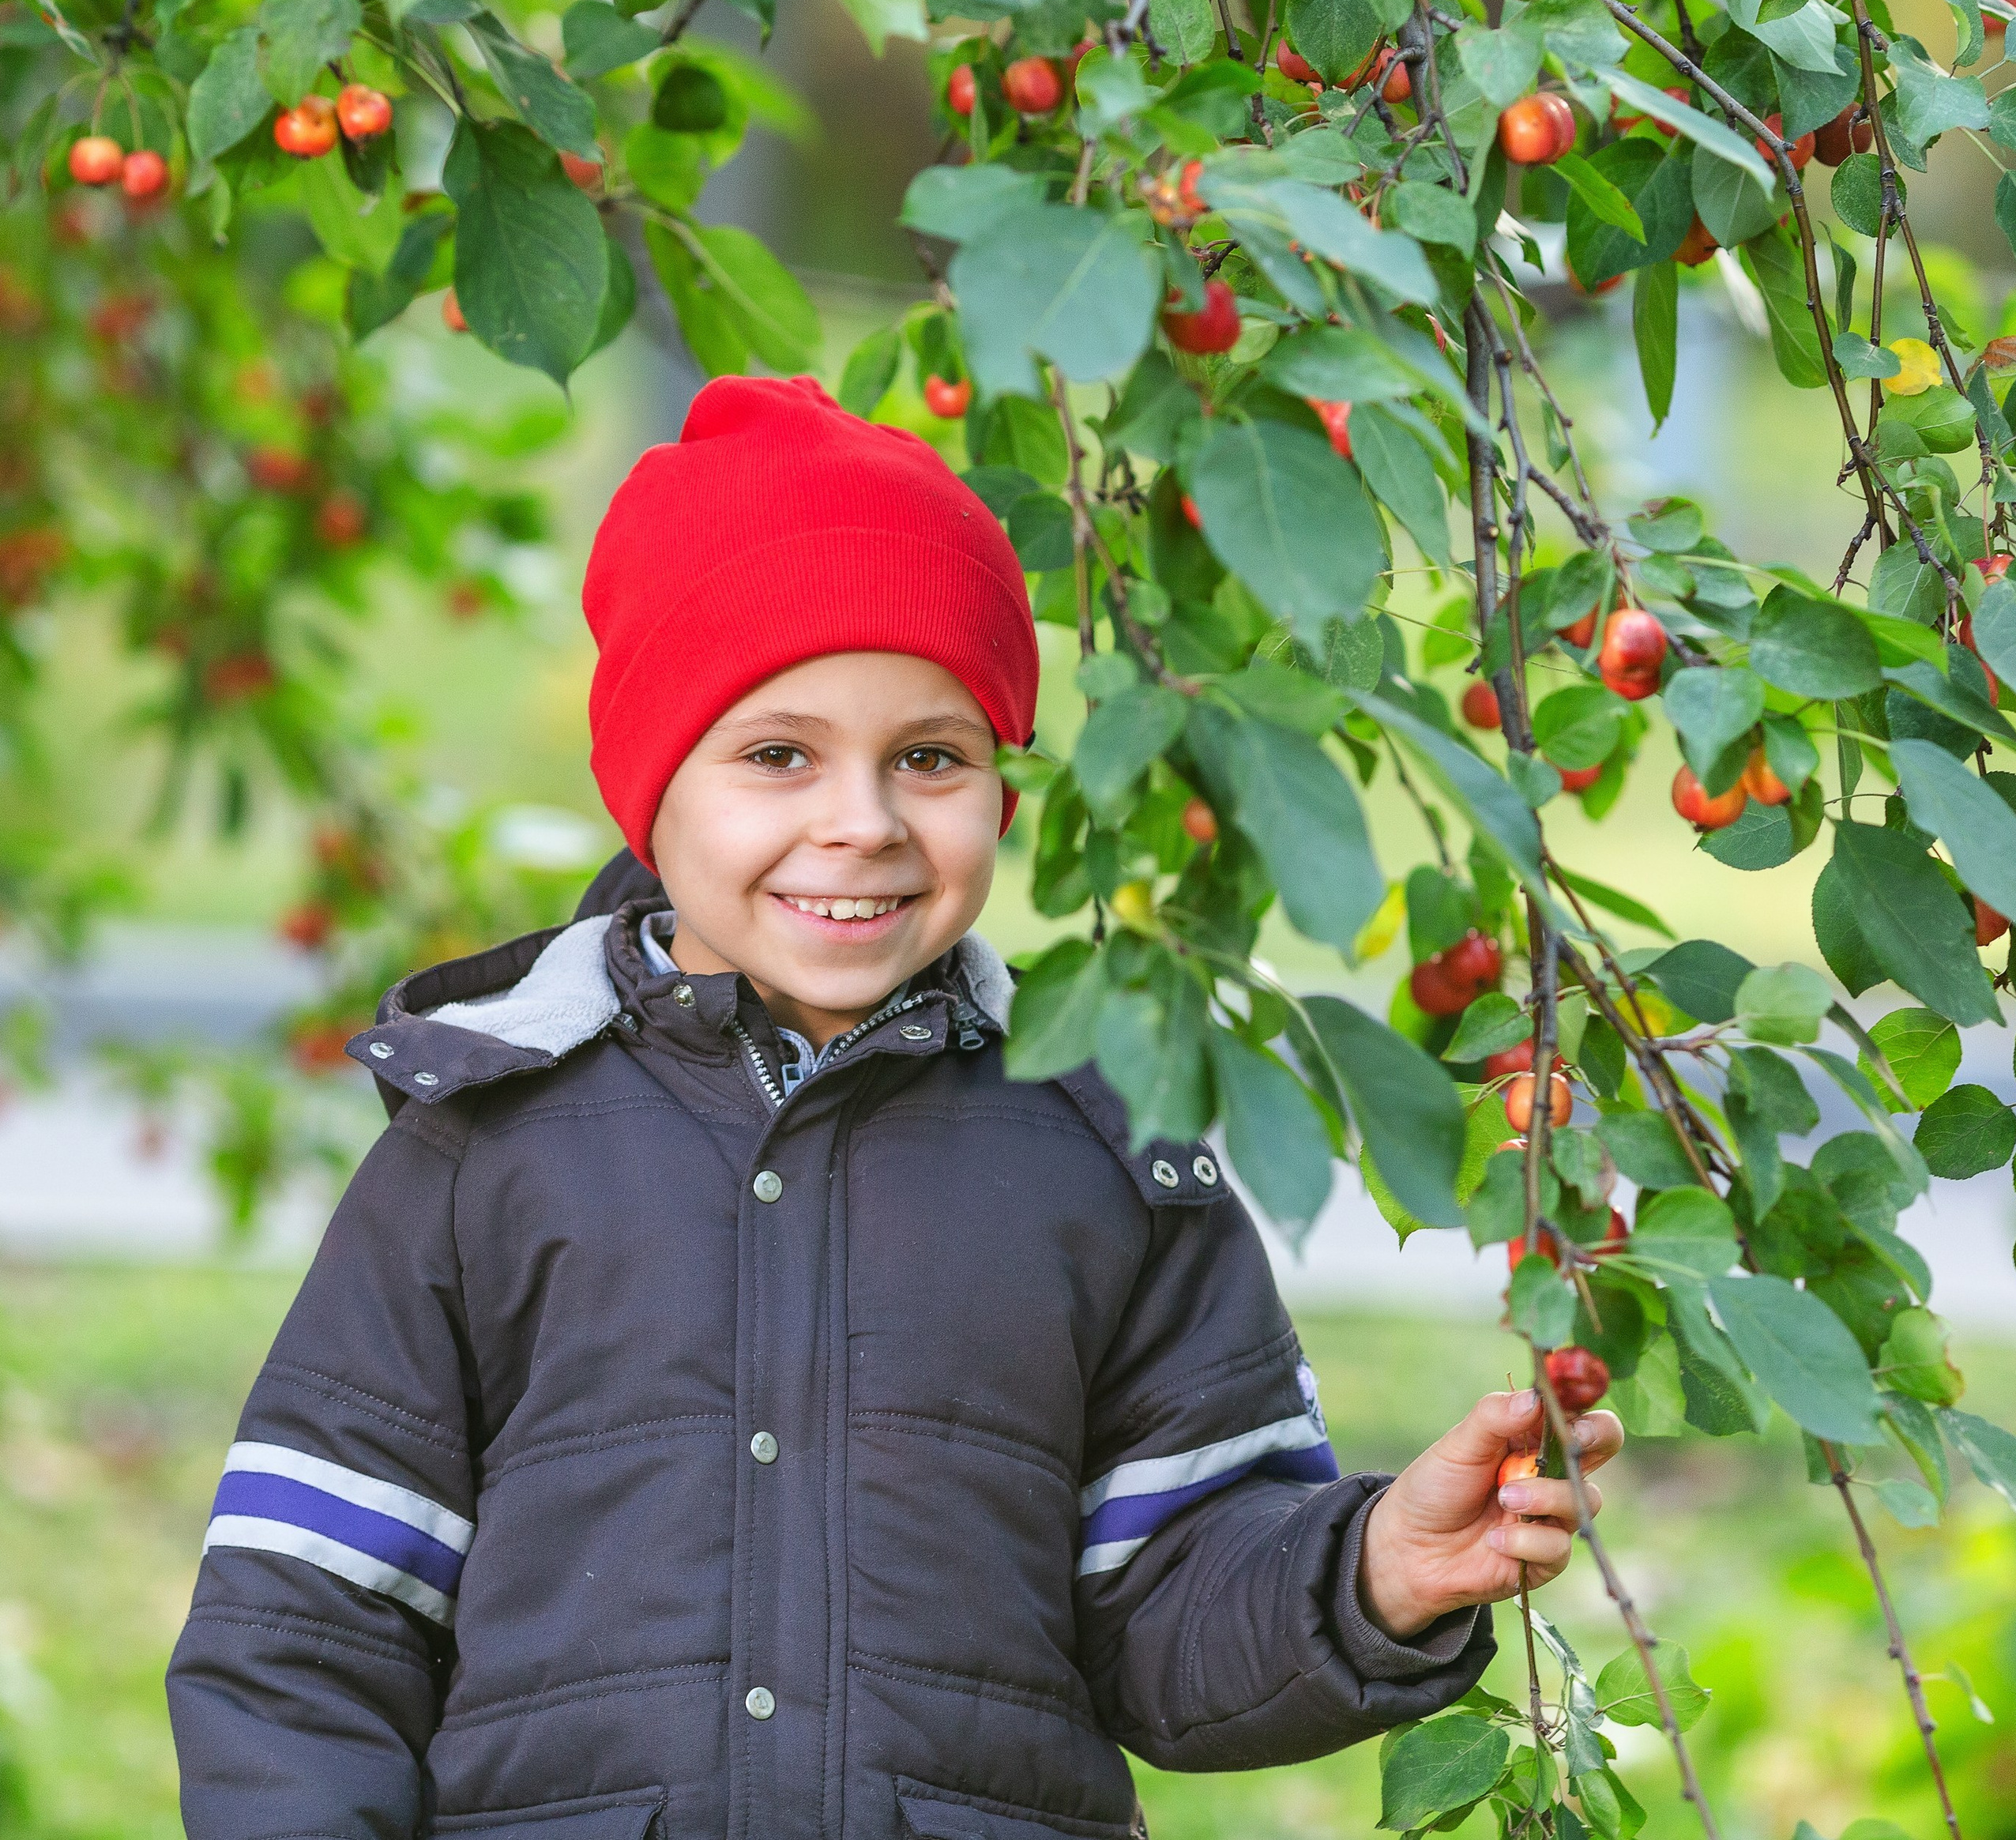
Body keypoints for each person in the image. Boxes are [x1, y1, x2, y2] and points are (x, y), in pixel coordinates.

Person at [167, 376, 1623, 1840]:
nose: (861, 822)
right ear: (649, 786)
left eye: (930, 757)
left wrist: (1372, 1574)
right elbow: (307, 1623)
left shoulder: (1105, 1144)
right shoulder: (479, 1145)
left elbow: (1171, 1605)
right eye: (777, 755)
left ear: (1001, 786)